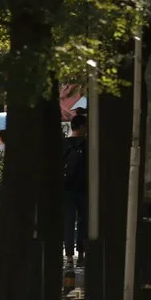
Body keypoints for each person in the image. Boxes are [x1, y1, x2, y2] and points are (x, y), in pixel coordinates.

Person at [63, 114, 88, 267]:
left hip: (66, 188)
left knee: (68, 223)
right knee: (83, 222)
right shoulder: (87, 144)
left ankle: (69, 257)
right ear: (81, 127)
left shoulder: (64, 144)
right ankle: (82, 254)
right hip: (83, 188)